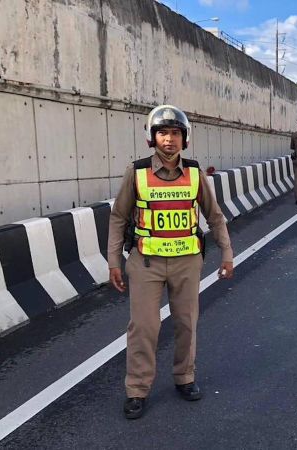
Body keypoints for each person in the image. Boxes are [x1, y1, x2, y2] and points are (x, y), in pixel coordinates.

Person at [107, 105, 234, 420]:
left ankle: (184, 378)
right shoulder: (136, 172)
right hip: (146, 262)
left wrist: (228, 253)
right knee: (144, 327)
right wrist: (113, 261)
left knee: (186, 323)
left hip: (187, 262)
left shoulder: (194, 173)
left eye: (175, 133)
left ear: (184, 138)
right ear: (152, 138)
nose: (168, 140)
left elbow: (214, 217)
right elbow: (118, 217)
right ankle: (137, 390)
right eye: (162, 133)